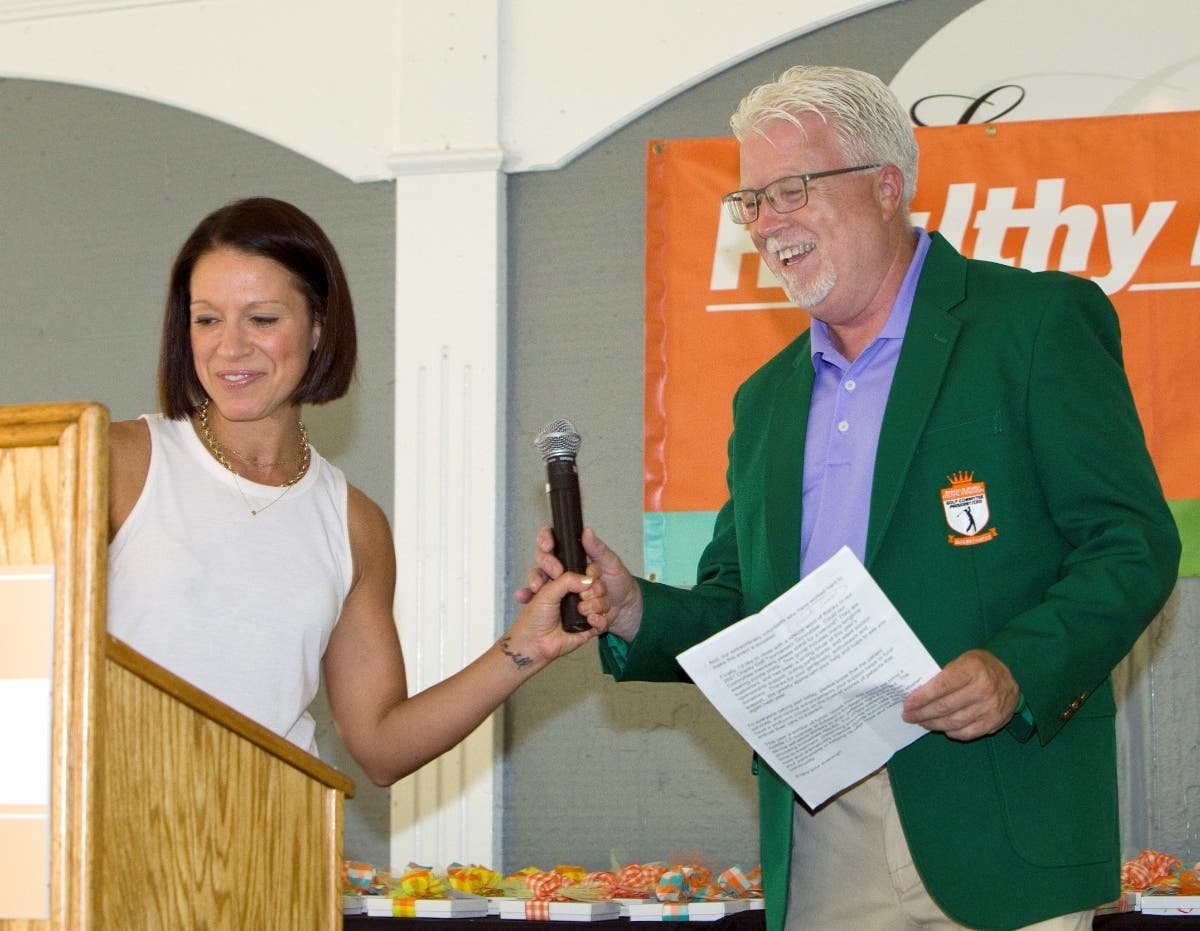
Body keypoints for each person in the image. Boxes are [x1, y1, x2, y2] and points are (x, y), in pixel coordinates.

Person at [518, 66, 1180, 931]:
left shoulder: (1036, 323)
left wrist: (1018, 667)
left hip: (1002, 820)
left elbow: (1132, 544)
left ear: (886, 185)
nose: (766, 222)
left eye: (791, 188)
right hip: (821, 828)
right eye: (750, 201)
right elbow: (736, 610)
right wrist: (634, 605)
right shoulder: (763, 402)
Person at [107, 196, 609, 787]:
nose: (230, 347)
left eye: (262, 319)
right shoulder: (115, 460)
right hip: (114, 834)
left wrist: (527, 647)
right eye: (207, 318)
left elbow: (380, 744)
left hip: (277, 841)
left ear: (319, 326)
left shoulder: (354, 522)